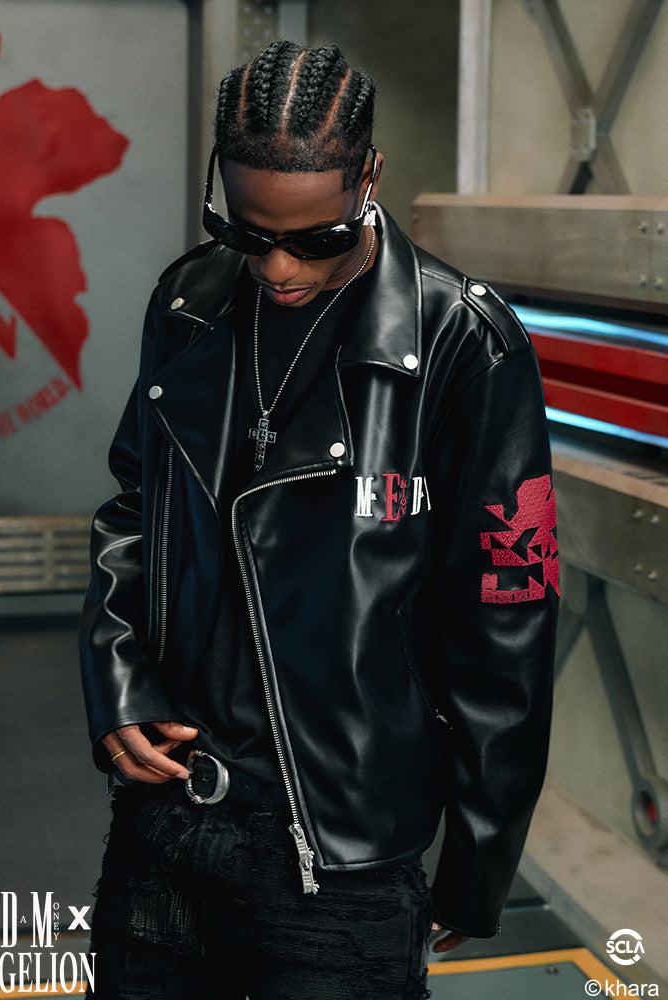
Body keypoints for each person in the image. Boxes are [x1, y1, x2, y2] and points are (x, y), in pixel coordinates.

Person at [80, 39, 559, 1000]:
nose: (278, 268)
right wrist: (119, 683)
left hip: (344, 849)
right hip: (168, 818)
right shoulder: (189, 301)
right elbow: (134, 506)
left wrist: (478, 860)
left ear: (369, 179)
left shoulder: (462, 342)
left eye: (315, 238)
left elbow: (507, 614)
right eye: (247, 230)